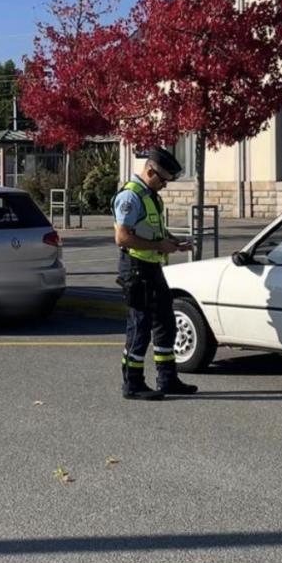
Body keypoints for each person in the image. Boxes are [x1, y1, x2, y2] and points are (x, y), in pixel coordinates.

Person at [112, 147, 198, 400]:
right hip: (136, 268)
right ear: (150, 171)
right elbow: (122, 237)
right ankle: (133, 384)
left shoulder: (150, 195)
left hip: (151, 267)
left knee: (165, 322)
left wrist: (173, 241)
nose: (165, 185)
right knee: (140, 325)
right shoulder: (131, 197)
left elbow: (152, 230)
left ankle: (167, 378)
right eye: (163, 180)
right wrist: (160, 246)